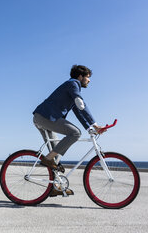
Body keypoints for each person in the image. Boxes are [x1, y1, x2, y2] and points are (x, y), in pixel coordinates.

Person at [32, 64, 105, 196]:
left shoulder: (72, 90)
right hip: (46, 118)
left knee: (56, 155)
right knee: (75, 133)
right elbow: (81, 104)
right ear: (80, 76)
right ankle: (48, 160)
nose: (89, 80)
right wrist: (95, 124)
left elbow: (79, 111)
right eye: (88, 77)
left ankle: (54, 187)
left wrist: (89, 127)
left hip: (43, 117)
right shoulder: (73, 84)